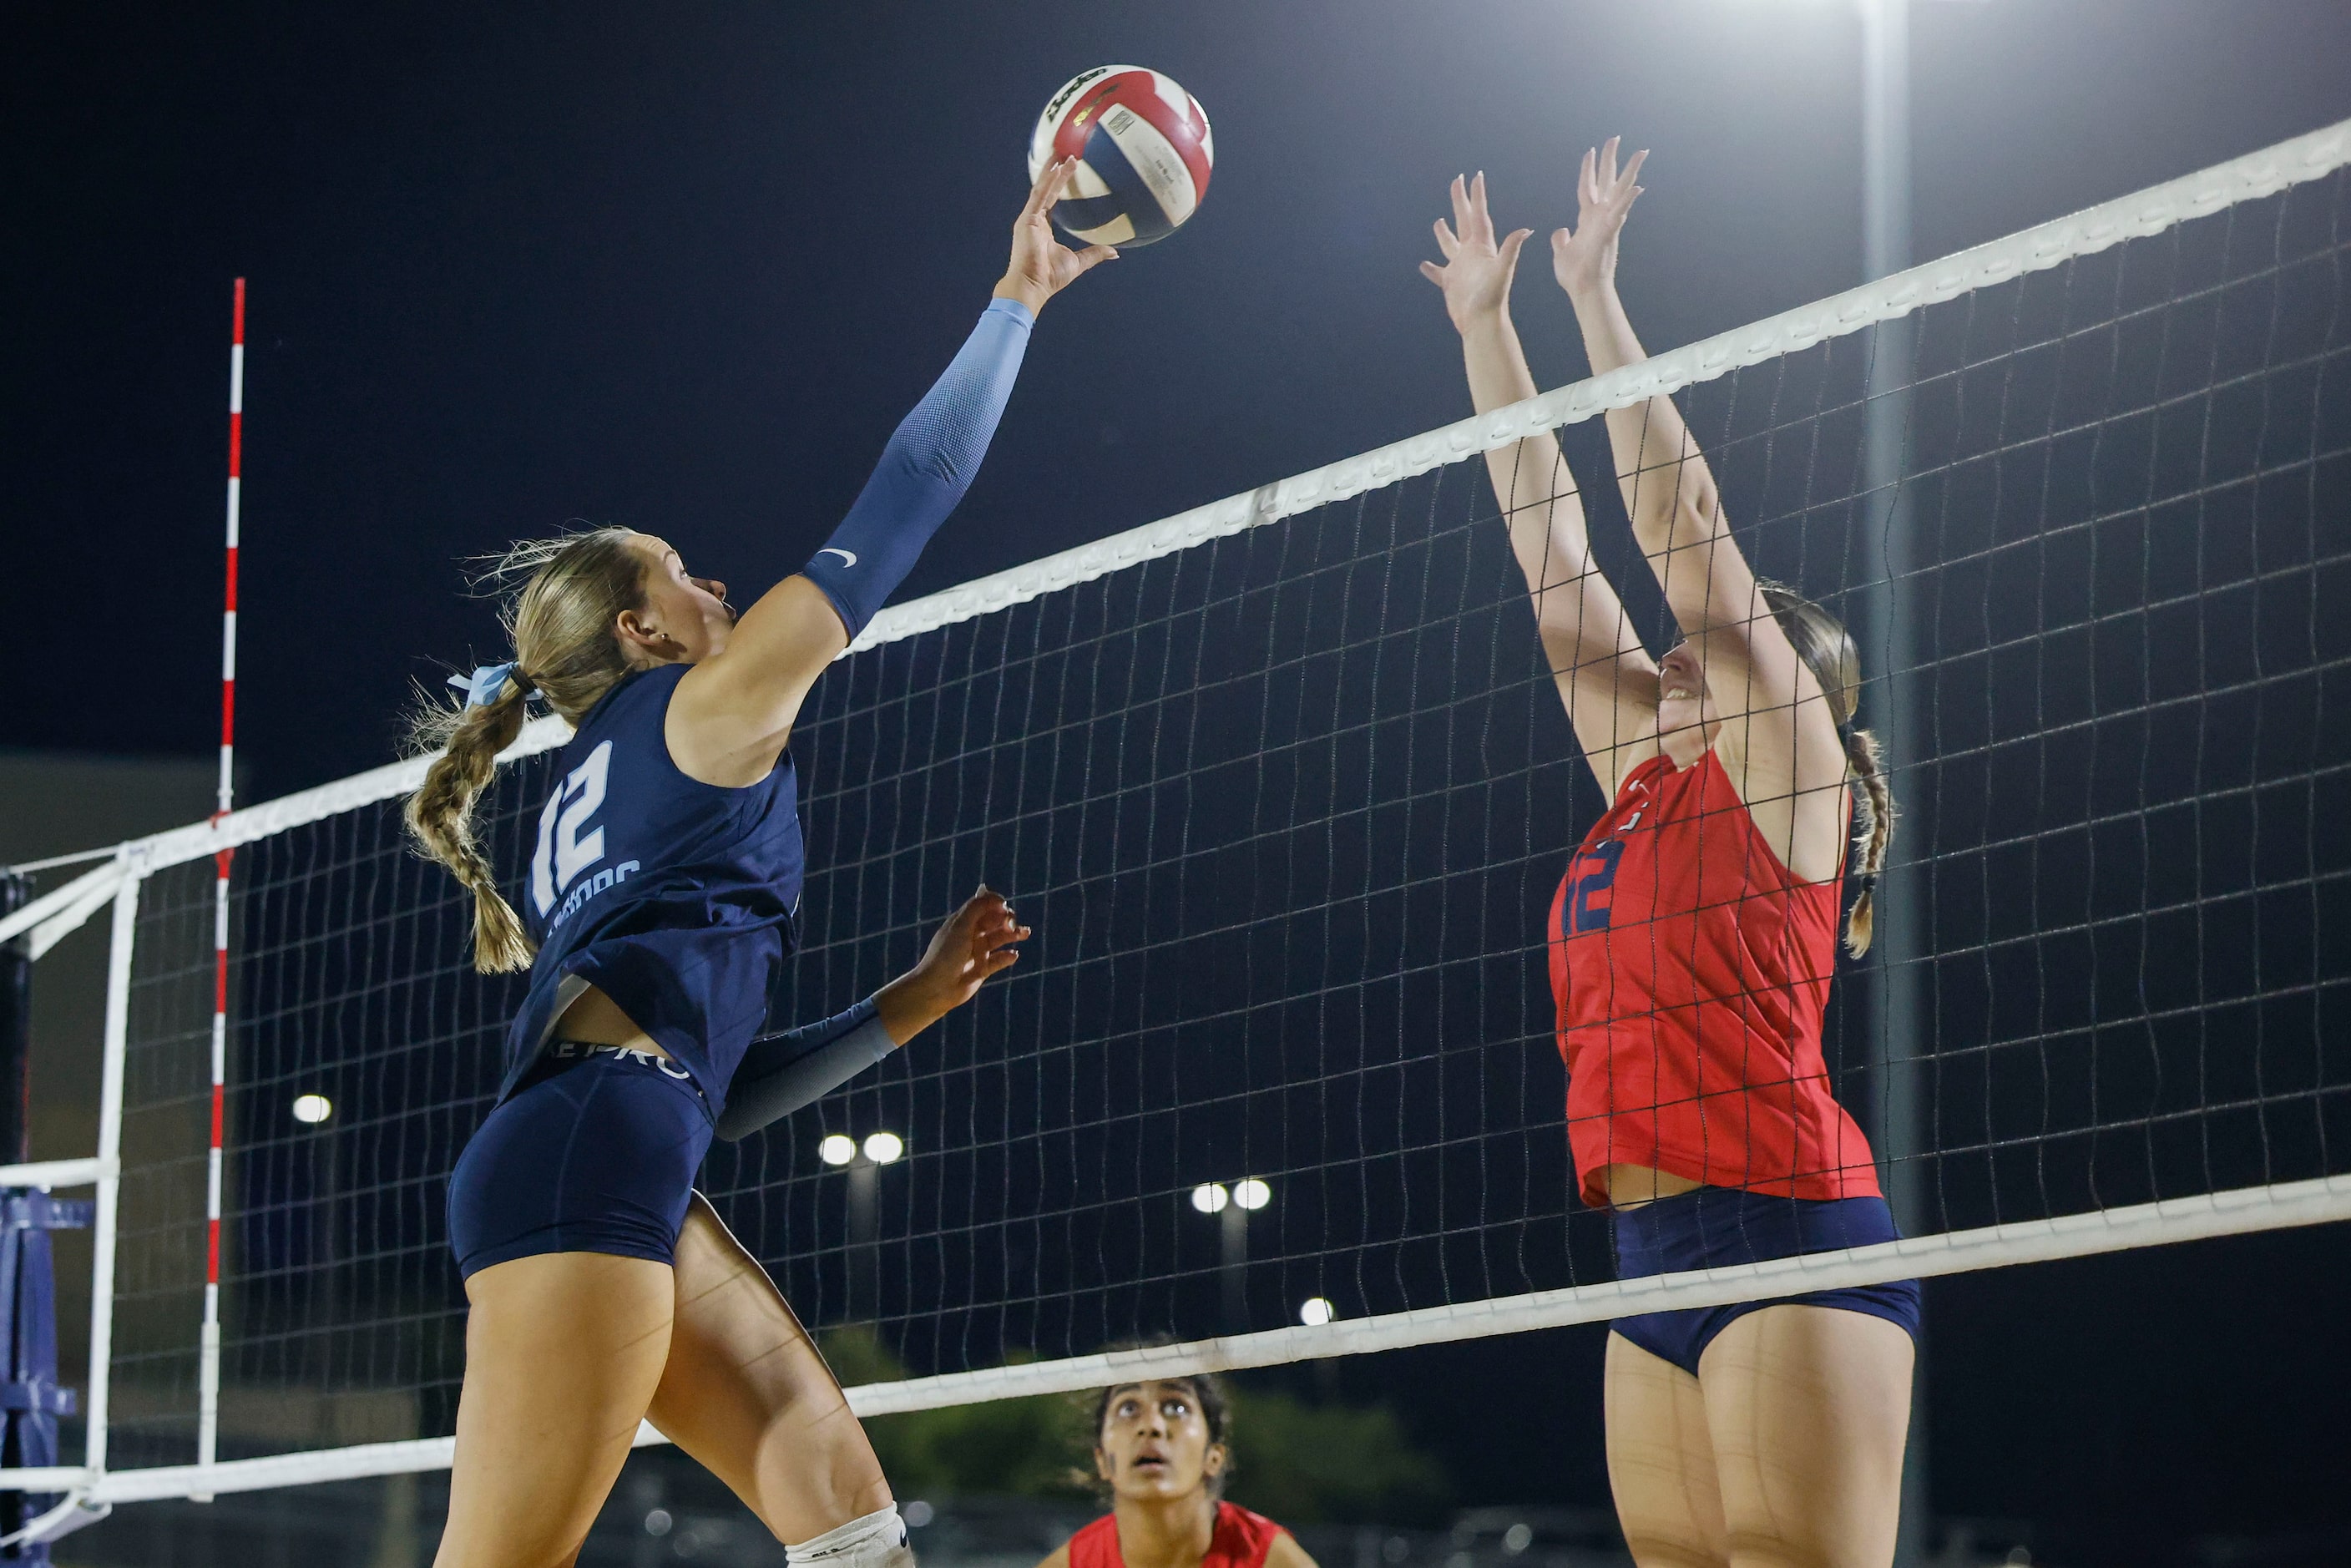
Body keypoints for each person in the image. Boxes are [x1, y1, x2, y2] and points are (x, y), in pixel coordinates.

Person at [402, 158, 1116, 1568]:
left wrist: (899, 1009)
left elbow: (708, 1094)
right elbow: (905, 494)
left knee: (847, 1515)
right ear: (638, 633)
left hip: (620, 1147)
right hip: (589, 1159)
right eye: (682, 574)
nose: (716, 586)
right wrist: (1016, 300)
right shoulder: (703, 711)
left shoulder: (578, 807)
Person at [1420, 141, 1919, 1566]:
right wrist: (1486, 328)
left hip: (1788, 1225)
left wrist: (1595, 299)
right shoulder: (1645, 787)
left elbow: (1678, 531)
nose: (1676, 653)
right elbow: (1549, 548)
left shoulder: (1786, 775)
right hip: (1646, 1249)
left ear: (1786, 687)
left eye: (1713, 644)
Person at [1034, 1376, 1317, 1568]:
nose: (1152, 1425)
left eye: (1176, 1407)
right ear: (1103, 1461)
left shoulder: (1268, 1558)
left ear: (1214, 1456)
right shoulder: (1074, 1563)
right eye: (1128, 1408)